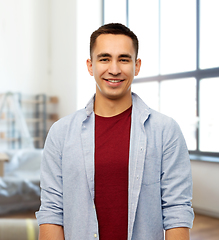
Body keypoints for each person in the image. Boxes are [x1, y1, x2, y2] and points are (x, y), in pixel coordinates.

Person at [36, 23, 194, 240]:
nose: (114, 69)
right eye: (104, 58)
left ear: (137, 66)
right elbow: (52, 211)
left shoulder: (165, 131)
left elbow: (177, 210)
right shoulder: (61, 133)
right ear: (90, 66)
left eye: (124, 59)